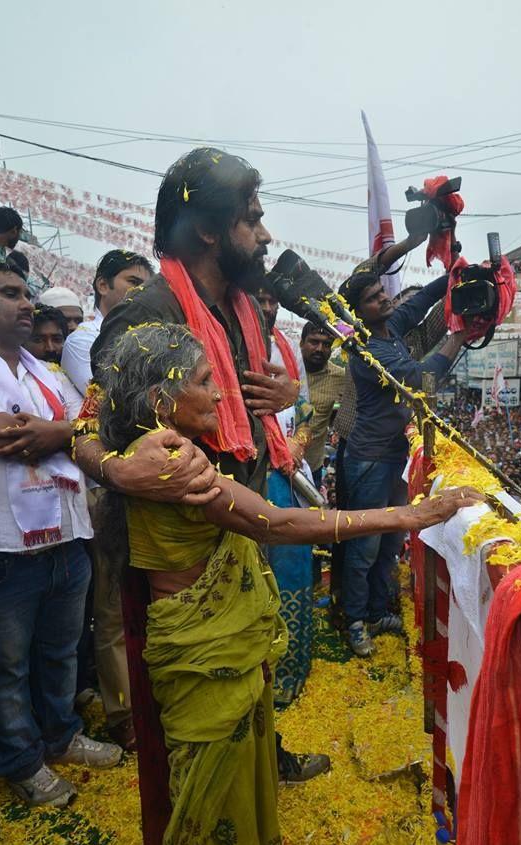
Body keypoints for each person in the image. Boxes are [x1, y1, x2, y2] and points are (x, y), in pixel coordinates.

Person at [97, 320, 482, 845]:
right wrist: (415, 514)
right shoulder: (168, 461)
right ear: (161, 400)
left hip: (217, 646)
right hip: (205, 655)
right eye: (203, 382)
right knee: (210, 801)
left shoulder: (143, 449)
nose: (220, 395)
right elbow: (275, 523)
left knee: (231, 790)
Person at [74, 147, 328, 783]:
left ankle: (260, 766)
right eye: (253, 219)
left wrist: (287, 396)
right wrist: (113, 468)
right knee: (189, 725)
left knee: (251, 666)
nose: (266, 236)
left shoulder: (243, 311)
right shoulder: (147, 312)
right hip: (174, 555)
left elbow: (247, 401)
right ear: (211, 230)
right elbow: (86, 422)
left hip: (240, 523)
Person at [0, 261, 121, 808]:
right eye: (10, 293)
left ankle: (60, 736)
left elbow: (95, 429)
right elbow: (3, 438)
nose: (27, 303)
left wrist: (55, 431)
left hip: (66, 534)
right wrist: (67, 434)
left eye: (27, 293)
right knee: (4, 669)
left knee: (60, 652)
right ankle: (22, 762)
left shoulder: (46, 372)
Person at [336, 269, 467, 656]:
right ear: (358, 314)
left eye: (381, 291)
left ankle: (377, 612)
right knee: (365, 548)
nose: (384, 299)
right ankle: (355, 620)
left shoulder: (390, 327)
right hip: (369, 461)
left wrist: (452, 274)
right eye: (374, 298)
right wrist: (457, 336)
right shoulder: (366, 350)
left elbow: (421, 300)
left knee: (391, 540)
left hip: (392, 456)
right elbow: (422, 380)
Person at [61, 250, 154, 751]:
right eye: (130, 281)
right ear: (101, 284)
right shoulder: (85, 340)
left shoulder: (144, 335)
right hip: (107, 490)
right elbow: (120, 403)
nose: (139, 291)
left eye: (147, 283)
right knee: (113, 608)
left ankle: (145, 698)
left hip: (148, 488)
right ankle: (122, 711)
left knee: (147, 600)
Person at [257, 283, 314, 705]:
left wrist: (298, 444)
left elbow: (307, 410)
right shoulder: (222, 340)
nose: (268, 306)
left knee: (293, 569)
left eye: (272, 299)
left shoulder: (284, 345)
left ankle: (292, 666)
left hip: (290, 475)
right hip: (249, 475)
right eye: (258, 298)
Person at [62, 250, 154, 394]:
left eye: (147, 287)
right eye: (134, 282)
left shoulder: (147, 339)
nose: (142, 291)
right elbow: (103, 399)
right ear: (103, 285)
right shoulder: (83, 339)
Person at [299, 323, 344, 488]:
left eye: (326, 344)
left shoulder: (340, 377)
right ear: (301, 342)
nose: (319, 349)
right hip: (278, 462)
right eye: (314, 342)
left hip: (312, 467)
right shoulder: (285, 367)